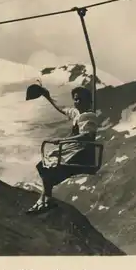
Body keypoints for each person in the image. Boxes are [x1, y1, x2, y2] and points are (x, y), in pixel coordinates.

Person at [26, 85, 99, 214]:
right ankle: (45, 198)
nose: (78, 102)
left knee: (50, 172)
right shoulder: (76, 114)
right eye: (76, 99)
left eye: (81, 99)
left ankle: (45, 199)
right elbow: (62, 108)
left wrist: (63, 141)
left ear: (88, 101)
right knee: (43, 166)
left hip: (82, 153)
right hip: (72, 149)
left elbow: (87, 135)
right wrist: (47, 96)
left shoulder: (89, 116)